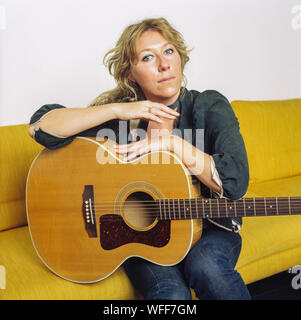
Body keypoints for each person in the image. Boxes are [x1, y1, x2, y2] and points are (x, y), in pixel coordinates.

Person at [28, 17, 251, 300]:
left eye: (169, 51)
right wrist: (116, 111)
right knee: (169, 293)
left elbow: (235, 182)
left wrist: (172, 144)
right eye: (148, 57)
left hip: (210, 229)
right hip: (141, 237)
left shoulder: (208, 105)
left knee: (206, 266)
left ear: (180, 57)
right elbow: (40, 128)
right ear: (131, 74)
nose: (164, 64)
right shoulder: (122, 120)